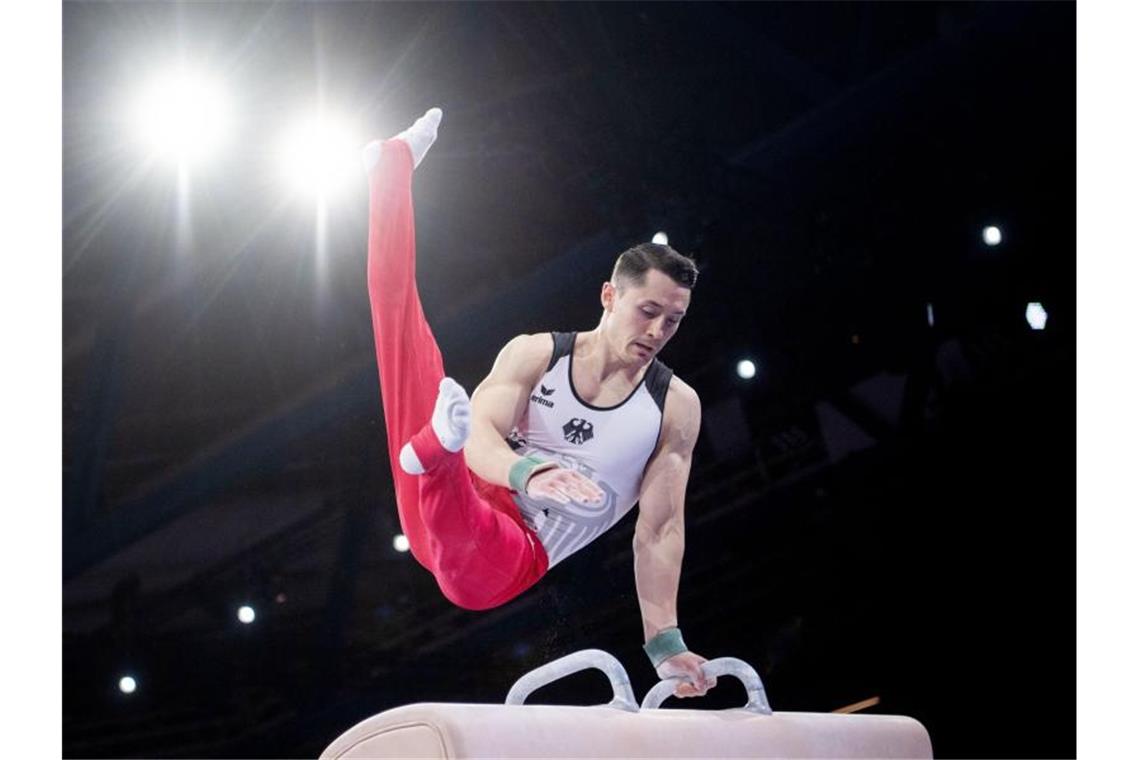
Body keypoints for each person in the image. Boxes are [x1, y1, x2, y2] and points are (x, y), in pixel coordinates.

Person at [362, 108, 717, 698]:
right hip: (456, 493)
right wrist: (528, 471)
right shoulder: (535, 354)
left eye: (673, 320)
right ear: (609, 296)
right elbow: (480, 437)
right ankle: (391, 171)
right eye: (648, 311)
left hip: (507, 553)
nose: (658, 331)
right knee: (398, 327)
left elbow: (659, 530)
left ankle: (432, 451)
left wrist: (664, 643)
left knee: (464, 525)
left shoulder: (675, 407)